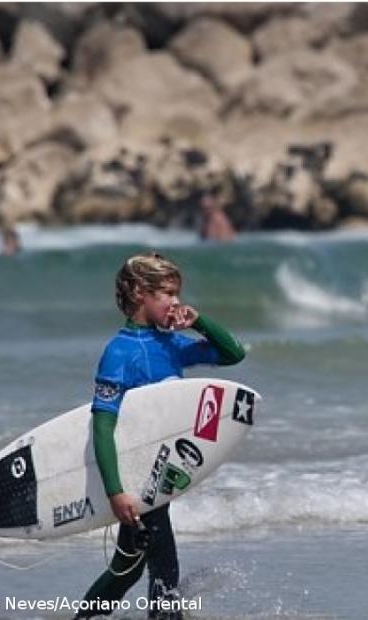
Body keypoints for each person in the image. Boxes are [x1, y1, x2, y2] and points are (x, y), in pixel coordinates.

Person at [76, 252, 245, 619]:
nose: (175, 302)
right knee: (163, 570)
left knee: (127, 570)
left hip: (161, 474)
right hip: (135, 478)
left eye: (176, 293)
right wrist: (115, 491)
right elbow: (102, 426)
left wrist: (198, 321)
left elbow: (233, 353)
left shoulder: (169, 344)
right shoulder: (118, 353)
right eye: (166, 293)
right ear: (139, 292)